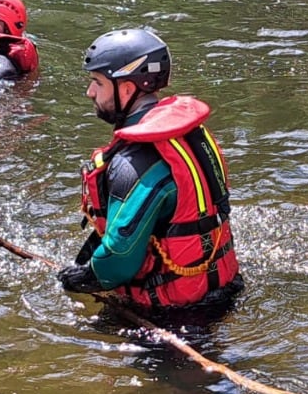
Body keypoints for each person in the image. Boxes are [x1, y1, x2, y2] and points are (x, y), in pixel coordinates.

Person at [57, 27, 242, 311]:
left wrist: (80, 279)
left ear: (128, 88)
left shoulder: (133, 163)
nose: (89, 92)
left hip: (172, 314)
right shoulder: (193, 135)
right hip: (226, 289)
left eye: (98, 82)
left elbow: (119, 261)